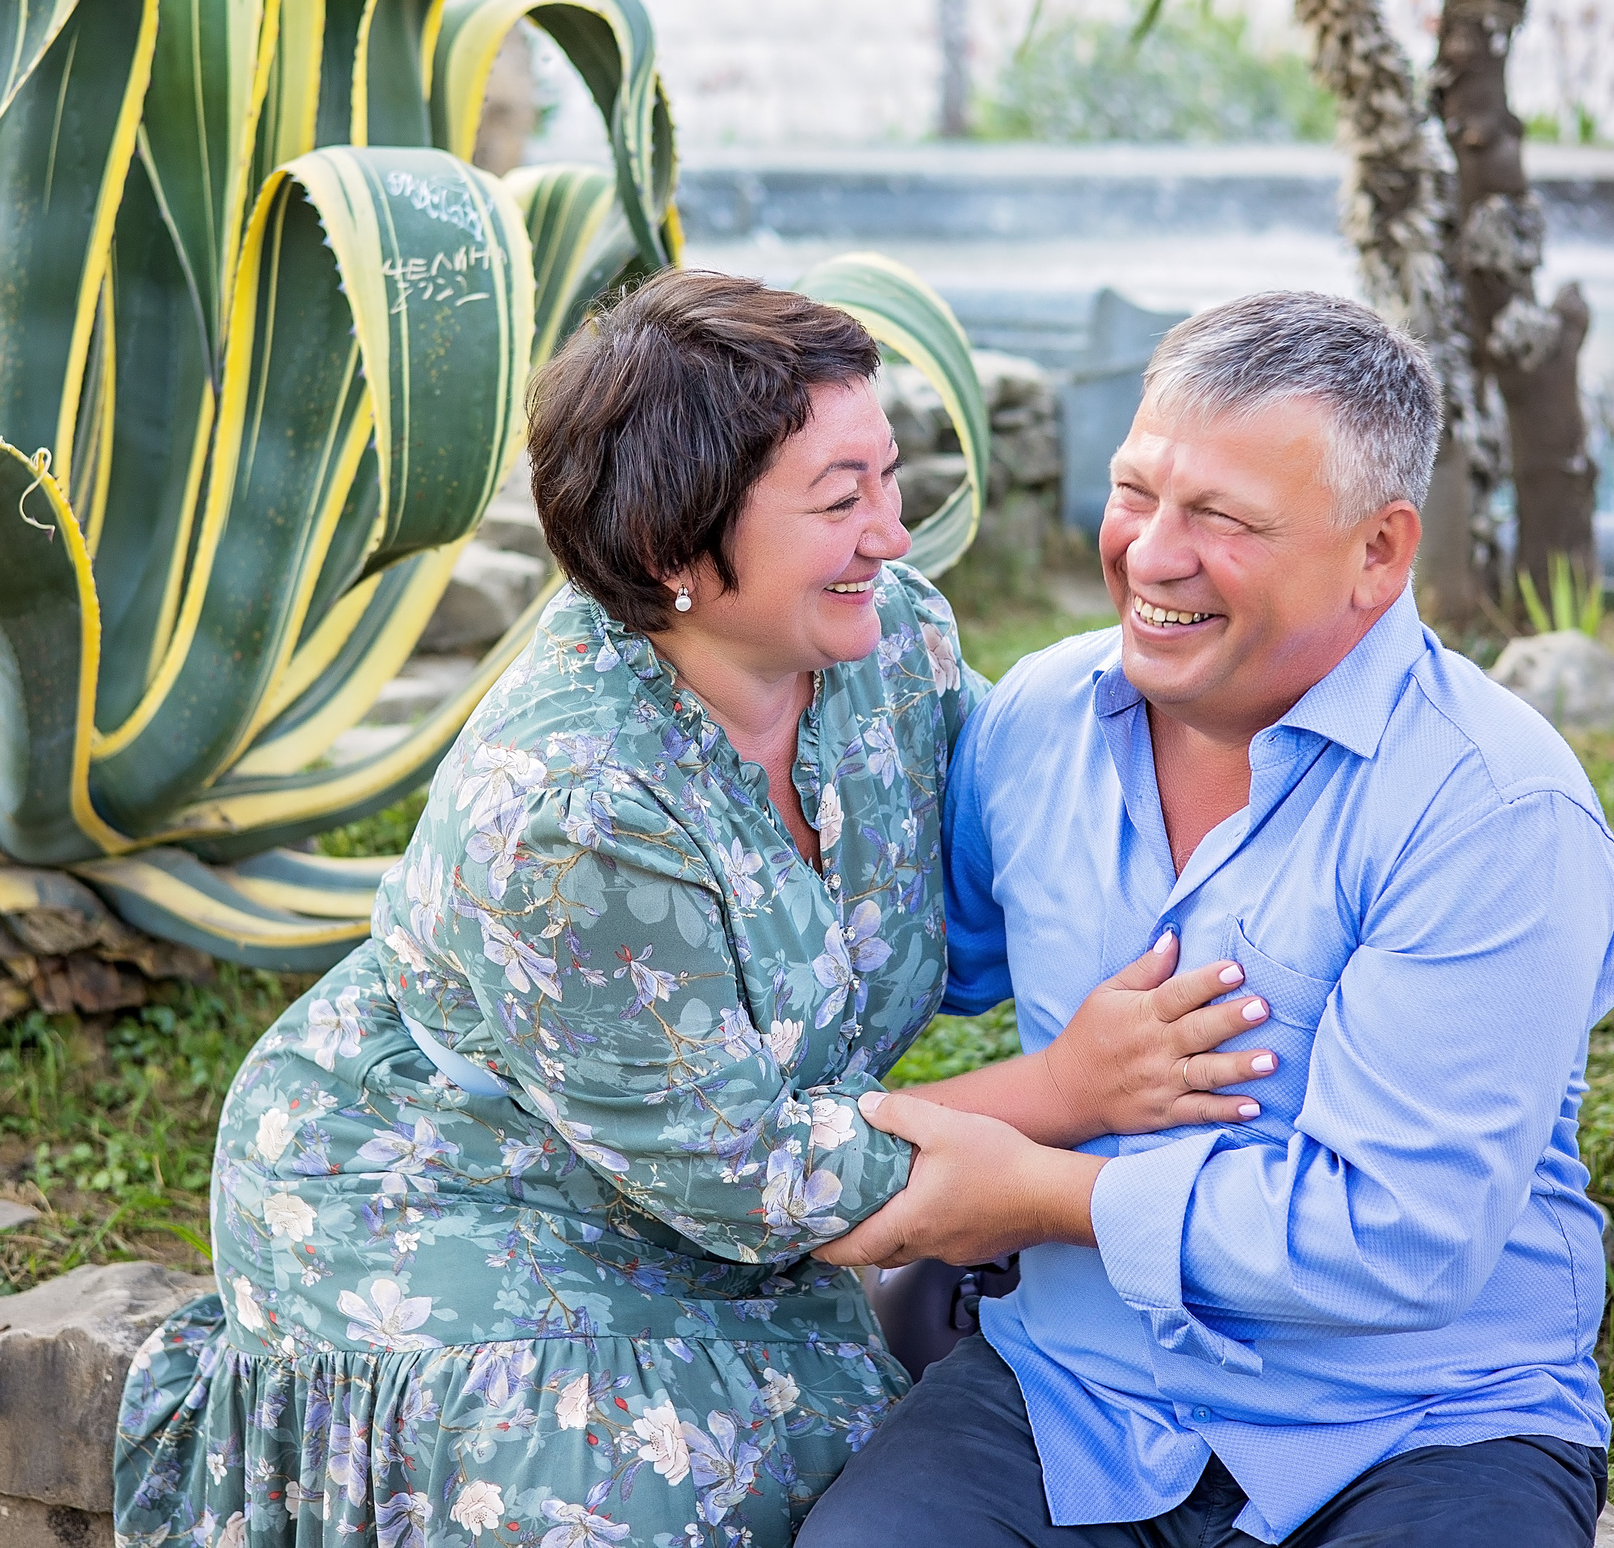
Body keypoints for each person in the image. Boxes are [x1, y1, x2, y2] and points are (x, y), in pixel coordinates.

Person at [112, 270, 1276, 1548]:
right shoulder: (574, 811)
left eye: (889, 478)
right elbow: (760, 1183)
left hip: (735, 1170)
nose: (891, 534)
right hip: (464, 1196)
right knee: (682, 1501)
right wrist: (1068, 1094)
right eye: (841, 501)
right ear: (673, 549)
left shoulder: (891, 646)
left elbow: (1041, 857)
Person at [800, 291, 1614, 1548]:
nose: (1148, 554)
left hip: (1414, 1424)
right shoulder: (1033, 723)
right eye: (1137, 493)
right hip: (1070, 1390)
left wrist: (1045, 1195)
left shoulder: (1493, 811)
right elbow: (899, 977)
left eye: (1223, 519)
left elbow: (1401, 1243)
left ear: (1378, 554)